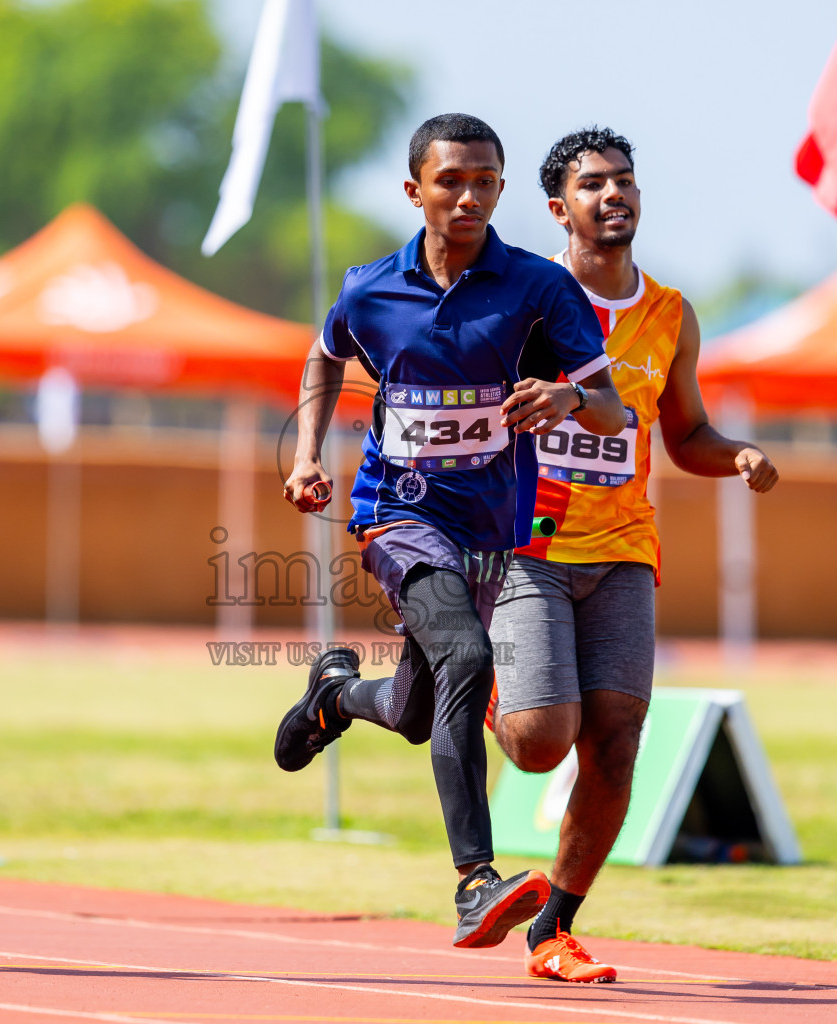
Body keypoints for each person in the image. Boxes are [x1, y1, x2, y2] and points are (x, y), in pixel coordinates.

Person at [273, 113, 627, 949]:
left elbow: (613, 409)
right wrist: (305, 456)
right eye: (451, 181)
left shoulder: (540, 289)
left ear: (503, 188)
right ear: (414, 191)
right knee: (468, 657)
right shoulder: (371, 290)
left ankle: (333, 696)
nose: (470, 197)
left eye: (486, 182)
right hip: (397, 516)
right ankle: (476, 882)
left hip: (492, 535)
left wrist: (570, 398)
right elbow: (326, 353)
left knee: (415, 709)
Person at [487, 127, 778, 982]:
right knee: (542, 742)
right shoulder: (517, 300)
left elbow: (684, 433)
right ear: (557, 208)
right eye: (593, 185)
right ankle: (480, 672)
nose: (614, 196)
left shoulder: (670, 314)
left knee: (614, 746)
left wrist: (739, 456)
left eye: (625, 182)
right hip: (527, 549)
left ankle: (554, 929)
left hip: (622, 554)